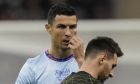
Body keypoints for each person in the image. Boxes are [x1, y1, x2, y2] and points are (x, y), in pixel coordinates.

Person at [15, 4, 84, 84]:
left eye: (72, 27)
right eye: (61, 27)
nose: (68, 33)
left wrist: (81, 61)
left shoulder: (88, 63)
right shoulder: (32, 67)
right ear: (48, 28)